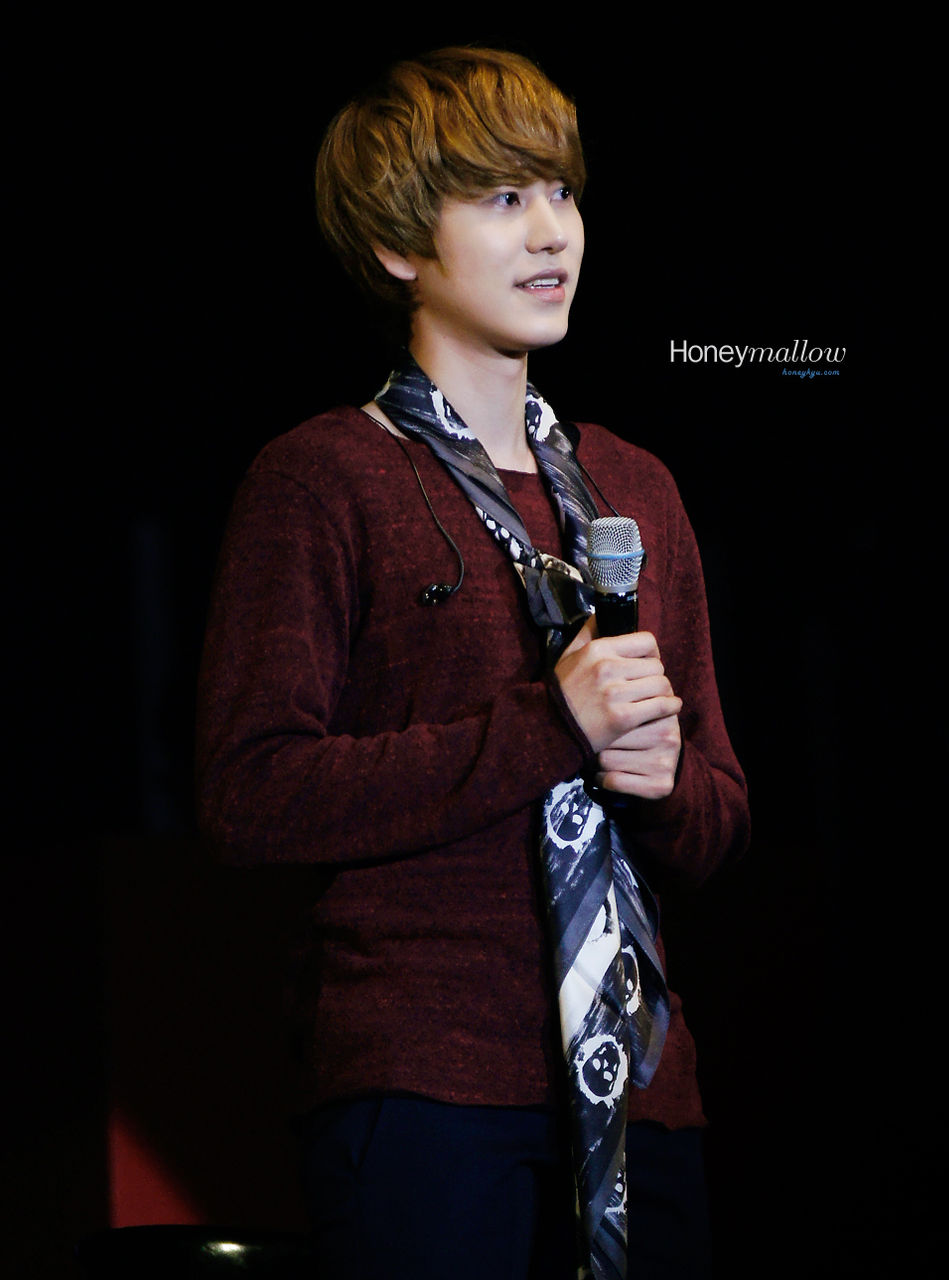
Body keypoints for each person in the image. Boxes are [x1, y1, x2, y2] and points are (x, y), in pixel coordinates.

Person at [196, 46, 749, 1280]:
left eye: (561, 191)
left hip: (642, 1089)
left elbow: (720, 818)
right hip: (425, 1085)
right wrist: (549, 725)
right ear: (398, 244)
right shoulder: (324, 476)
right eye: (502, 198)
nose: (552, 231)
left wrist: (666, 783)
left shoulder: (637, 486)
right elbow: (250, 793)